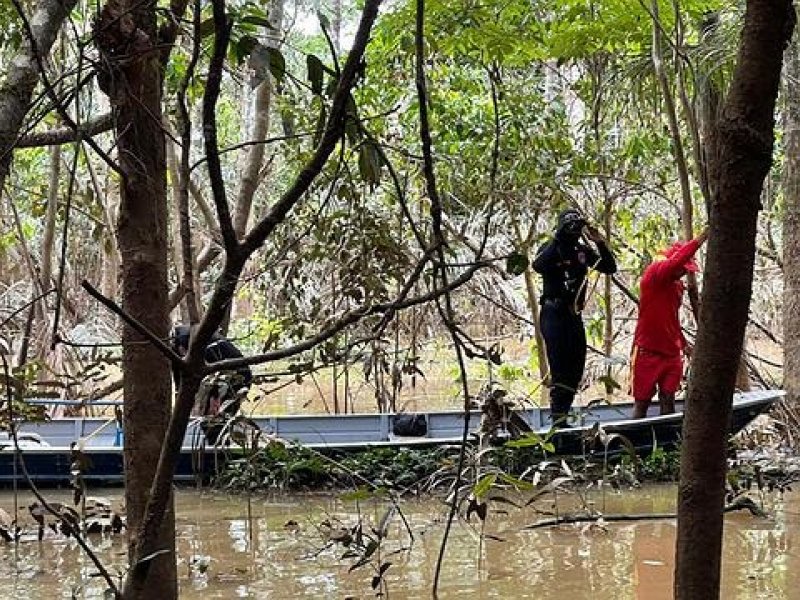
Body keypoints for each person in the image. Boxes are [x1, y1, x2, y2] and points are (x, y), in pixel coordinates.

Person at [533, 208, 617, 426]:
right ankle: (558, 420)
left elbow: (609, 267)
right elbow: (538, 266)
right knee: (559, 366)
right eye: (569, 226)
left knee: (576, 366)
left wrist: (598, 242)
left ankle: (564, 414)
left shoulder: (581, 250)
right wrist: (557, 238)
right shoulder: (550, 249)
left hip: (573, 315)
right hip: (553, 314)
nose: (573, 231)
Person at [630, 229, 709, 418]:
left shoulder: (677, 287)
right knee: (642, 404)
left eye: (687, 270)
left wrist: (683, 344)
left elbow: (671, 319)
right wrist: (702, 237)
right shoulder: (654, 274)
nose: (683, 272)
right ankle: (633, 443)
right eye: (683, 268)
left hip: (671, 353)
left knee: (668, 400)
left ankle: (669, 444)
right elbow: (677, 261)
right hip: (647, 350)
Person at [172, 324, 253, 442]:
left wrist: (214, 397)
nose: (184, 354)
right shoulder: (174, 346)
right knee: (208, 419)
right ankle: (217, 445)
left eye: (185, 352)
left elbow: (215, 372)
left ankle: (219, 449)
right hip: (218, 377)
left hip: (238, 377)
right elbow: (178, 379)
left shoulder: (201, 344)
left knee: (215, 419)